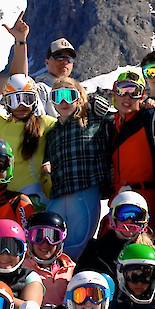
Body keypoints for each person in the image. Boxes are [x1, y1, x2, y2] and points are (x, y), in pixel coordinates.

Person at [44, 76, 113, 261]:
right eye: (58, 96)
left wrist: (95, 102)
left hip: (86, 190)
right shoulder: (52, 133)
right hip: (59, 193)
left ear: (79, 97)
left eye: (69, 95)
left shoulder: (93, 120)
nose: (64, 101)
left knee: (76, 247)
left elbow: (116, 117)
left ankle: (75, 284)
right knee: (49, 242)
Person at [0, 73, 57, 209]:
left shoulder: (45, 123)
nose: (21, 105)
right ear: (6, 102)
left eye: (27, 98)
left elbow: (72, 121)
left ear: (35, 100)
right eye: (14, 100)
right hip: (4, 198)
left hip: (34, 198)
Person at [108, 69, 155, 231]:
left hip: (144, 196)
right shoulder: (109, 124)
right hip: (117, 196)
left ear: (142, 95)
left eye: (134, 92)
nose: (127, 97)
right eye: (122, 90)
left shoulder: (149, 118)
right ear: (114, 92)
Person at [77, 190, 151, 280]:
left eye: (137, 216)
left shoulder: (148, 252)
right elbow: (80, 280)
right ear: (112, 217)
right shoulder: (95, 250)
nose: (129, 221)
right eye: (123, 214)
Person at [21, 211, 76, 307]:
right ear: (29, 239)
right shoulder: (21, 268)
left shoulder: (71, 269)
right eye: (38, 236)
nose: (45, 243)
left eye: (53, 237)